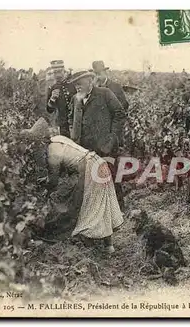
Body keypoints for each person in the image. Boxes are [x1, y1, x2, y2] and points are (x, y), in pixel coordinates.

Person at [20, 118, 123, 253]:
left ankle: (92, 248)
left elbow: (54, 181)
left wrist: (46, 193)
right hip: (99, 163)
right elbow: (69, 160)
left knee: (89, 207)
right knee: (102, 204)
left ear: (40, 142)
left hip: (90, 169)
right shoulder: (59, 139)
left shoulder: (52, 153)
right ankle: (108, 245)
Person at [69, 70, 127, 211]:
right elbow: (71, 119)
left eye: (80, 84)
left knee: (111, 178)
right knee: (91, 181)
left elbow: (120, 114)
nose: (78, 87)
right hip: (85, 148)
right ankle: (100, 213)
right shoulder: (75, 99)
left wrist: (112, 138)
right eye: (76, 85)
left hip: (105, 145)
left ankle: (119, 211)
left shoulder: (104, 94)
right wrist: (74, 138)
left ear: (89, 82)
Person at [46, 60, 77, 138]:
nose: (58, 75)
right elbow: (49, 110)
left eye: (59, 71)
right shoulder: (52, 88)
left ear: (64, 71)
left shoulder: (73, 85)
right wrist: (52, 99)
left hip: (76, 122)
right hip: (63, 125)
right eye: (55, 72)